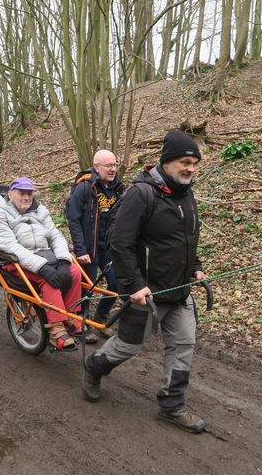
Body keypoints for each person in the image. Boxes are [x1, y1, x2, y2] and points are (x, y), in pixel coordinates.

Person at [82, 131, 207, 433]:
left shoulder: (185, 194)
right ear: (166, 162)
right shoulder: (142, 193)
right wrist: (135, 285)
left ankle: (171, 404)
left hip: (178, 291)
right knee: (127, 346)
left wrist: (196, 267)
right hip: (146, 293)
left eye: (194, 163)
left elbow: (187, 239)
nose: (190, 168)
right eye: (183, 162)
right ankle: (93, 368)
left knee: (183, 344)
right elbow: (120, 244)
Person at [0, 177, 83, 351]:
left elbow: (55, 235)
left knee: (75, 271)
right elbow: (11, 247)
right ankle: (56, 329)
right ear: (10, 194)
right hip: (14, 261)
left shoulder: (40, 210)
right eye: (21, 193)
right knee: (48, 280)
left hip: (46, 257)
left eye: (29, 193)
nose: (26, 197)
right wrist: (43, 268)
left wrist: (62, 261)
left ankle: (70, 316)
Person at [67, 149, 125, 340]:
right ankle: (81, 323)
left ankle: (101, 318)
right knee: (87, 288)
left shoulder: (119, 188)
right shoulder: (85, 187)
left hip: (109, 248)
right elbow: (73, 219)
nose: (113, 169)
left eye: (115, 165)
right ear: (97, 166)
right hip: (88, 249)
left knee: (116, 282)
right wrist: (80, 249)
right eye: (109, 165)